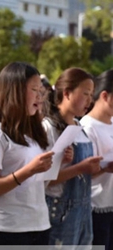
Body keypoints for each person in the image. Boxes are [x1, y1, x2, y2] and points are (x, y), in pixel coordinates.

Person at [0, 62, 54, 245]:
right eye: (34, 89)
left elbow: (41, 182)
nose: (39, 96)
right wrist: (29, 170)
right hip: (8, 229)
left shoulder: (34, 131)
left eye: (41, 90)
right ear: (15, 92)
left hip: (39, 224)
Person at [43, 67, 102, 247]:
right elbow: (46, 181)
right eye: (85, 94)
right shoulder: (48, 128)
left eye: (91, 95)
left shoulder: (79, 126)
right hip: (60, 210)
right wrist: (80, 167)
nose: (89, 101)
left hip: (83, 210)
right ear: (67, 93)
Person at [80, 69, 113, 250]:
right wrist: (105, 168)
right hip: (96, 206)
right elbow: (82, 173)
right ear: (105, 96)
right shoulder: (87, 126)